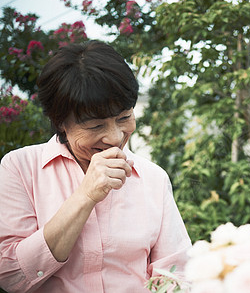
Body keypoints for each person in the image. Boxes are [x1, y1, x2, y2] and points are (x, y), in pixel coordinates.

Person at [0, 40, 192, 292]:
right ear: (60, 123)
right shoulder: (19, 168)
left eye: (124, 118)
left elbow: (176, 272)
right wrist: (85, 196)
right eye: (95, 126)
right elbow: (10, 276)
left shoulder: (153, 178)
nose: (114, 137)